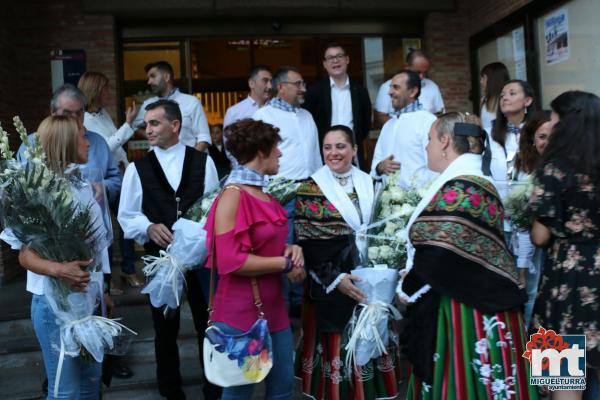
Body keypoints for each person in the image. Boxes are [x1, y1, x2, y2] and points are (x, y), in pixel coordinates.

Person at [398, 112, 536, 399]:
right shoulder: (474, 181)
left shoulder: (462, 188)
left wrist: (408, 286)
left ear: (445, 141)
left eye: (429, 139)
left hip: (466, 309)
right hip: (477, 296)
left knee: (464, 381)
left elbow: (438, 253)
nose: (426, 147)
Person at [2, 115, 111, 399]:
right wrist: (60, 270)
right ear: (65, 143)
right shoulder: (34, 191)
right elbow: (25, 255)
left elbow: (97, 246)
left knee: (90, 384)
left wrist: (104, 288)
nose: (88, 141)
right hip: (53, 304)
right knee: (65, 390)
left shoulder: (84, 186)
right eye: (82, 136)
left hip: (89, 300)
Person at [118, 99, 220, 400]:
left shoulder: (204, 162)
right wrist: (148, 227)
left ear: (175, 125)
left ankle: (214, 388)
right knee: (164, 328)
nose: (147, 129)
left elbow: (214, 208)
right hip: (158, 259)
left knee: (208, 324)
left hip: (200, 260)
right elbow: (127, 214)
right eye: (146, 124)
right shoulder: (137, 168)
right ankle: (171, 390)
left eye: (154, 123)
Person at [203, 118, 306, 399]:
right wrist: (283, 264)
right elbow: (230, 262)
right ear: (262, 152)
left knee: (282, 390)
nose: (280, 154)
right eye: (276, 148)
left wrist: (292, 250)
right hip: (241, 316)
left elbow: (271, 245)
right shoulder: (233, 196)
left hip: (275, 310)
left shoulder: (265, 194)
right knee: (239, 395)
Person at [295, 125, 399, 399]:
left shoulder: (370, 182)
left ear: (354, 150)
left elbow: (382, 232)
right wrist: (335, 279)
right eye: (327, 147)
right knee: (338, 349)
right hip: (332, 280)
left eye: (340, 146)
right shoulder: (310, 188)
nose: (333, 153)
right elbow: (309, 241)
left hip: (369, 280)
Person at [529, 91, 600, 400]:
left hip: (566, 282)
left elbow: (540, 237)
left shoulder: (554, 169)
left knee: (563, 384)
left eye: (555, 118)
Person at [253, 66, 322, 314]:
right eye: (298, 83)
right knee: (287, 253)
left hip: (310, 193)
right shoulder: (265, 115)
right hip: (282, 196)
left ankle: (306, 314)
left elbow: (315, 157)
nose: (303, 89)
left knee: (311, 252)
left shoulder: (307, 116)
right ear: (281, 87)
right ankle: (287, 313)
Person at [77, 71, 143, 292]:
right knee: (105, 227)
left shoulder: (103, 114)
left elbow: (116, 148)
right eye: (105, 88)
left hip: (117, 177)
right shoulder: (84, 120)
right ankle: (108, 278)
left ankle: (127, 270)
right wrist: (129, 124)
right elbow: (106, 145)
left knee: (125, 224)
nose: (109, 92)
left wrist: (125, 166)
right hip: (99, 180)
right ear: (95, 91)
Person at [18, 84, 122, 205]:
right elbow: (22, 187)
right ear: (53, 112)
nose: (74, 119)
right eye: (67, 114)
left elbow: (116, 179)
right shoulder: (32, 143)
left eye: (79, 113)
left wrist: (105, 188)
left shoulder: (98, 143)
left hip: (94, 217)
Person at [511, 110, 553, 328]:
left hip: (568, 259)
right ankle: (530, 358)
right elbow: (528, 228)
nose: (548, 142)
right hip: (537, 249)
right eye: (542, 136)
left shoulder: (574, 170)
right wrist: (523, 264)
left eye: (553, 135)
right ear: (532, 140)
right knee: (535, 300)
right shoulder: (526, 171)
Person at [303, 43, 372, 170]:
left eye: (339, 56)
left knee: (353, 189)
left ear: (347, 59)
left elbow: (365, 124)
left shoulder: (360, 91)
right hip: (324, 155)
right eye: (330, 58)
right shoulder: (315, 91)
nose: (335, 60)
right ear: (325, 64)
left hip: (352, 155)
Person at [370, 69, 437, 188]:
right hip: (387, 201)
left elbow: (435, 167)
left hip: (419, 201)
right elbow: (376, 164)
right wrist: (380, 167)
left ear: (412, 91)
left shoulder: (428, 121)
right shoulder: (388, 125)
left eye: (396, 87)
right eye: (390, 87)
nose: (389, 92)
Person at [131, 61, 211, 152]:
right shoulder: (147, 105)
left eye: (153, 76)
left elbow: (204, 138)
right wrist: (152, 135)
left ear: (166, 77)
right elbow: (134, 127)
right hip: (158, 163)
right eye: (149, 78)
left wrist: (190, 162)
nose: (149, 82)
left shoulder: (191, 102)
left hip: (188, 161)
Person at [374, 49, 444, 129]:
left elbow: (439, 114)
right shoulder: (387, 87)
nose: (421, 77)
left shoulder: (432, 87)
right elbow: (380, 117)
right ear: (406, 67)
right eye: (418, 72)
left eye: (425, 72)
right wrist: (406, 129)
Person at [479, 62, 510, 134]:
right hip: (487, 143)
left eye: (484, 78)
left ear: (493, 79)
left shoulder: (507, 100)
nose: (481, 81)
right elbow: (482, 126)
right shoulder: (483, 100)